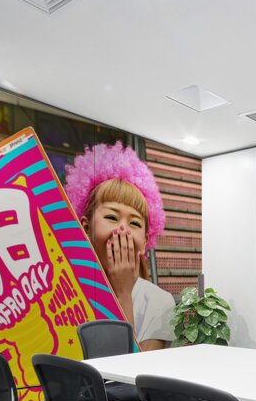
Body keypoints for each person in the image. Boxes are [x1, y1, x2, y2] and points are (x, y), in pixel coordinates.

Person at [65, 142, 175, 350]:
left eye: (134, 223)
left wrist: (123, 293)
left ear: (145, 239)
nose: (122, 230)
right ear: (85, 227)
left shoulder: (159, 301)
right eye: (112, 217)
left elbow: (134, 377)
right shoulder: (67, 289)